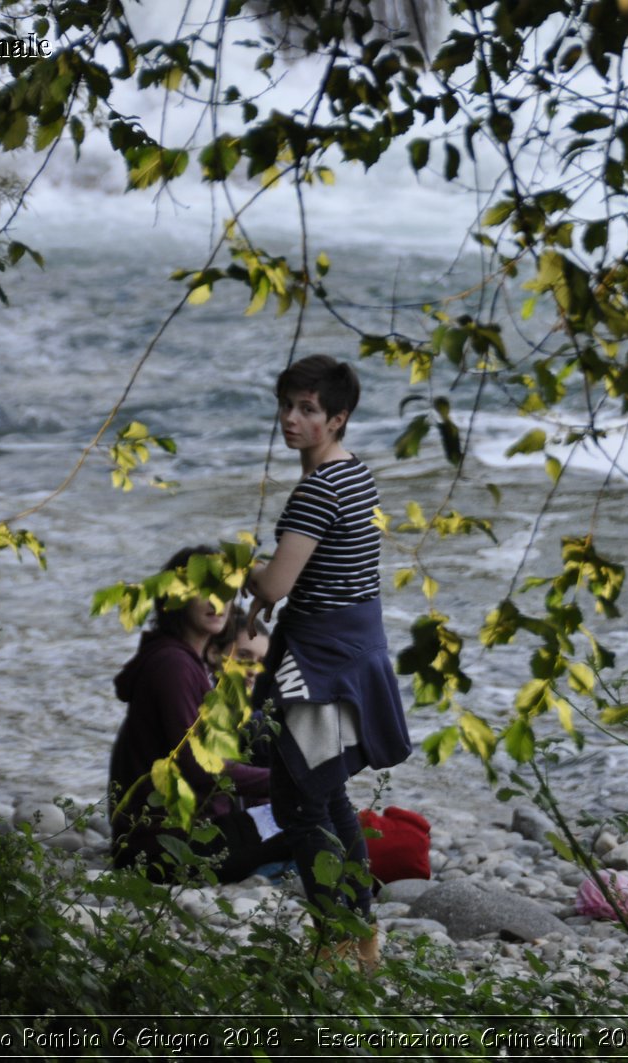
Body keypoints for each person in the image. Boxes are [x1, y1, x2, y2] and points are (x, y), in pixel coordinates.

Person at [245, 355, 411, 969]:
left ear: (337, 418)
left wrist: (239, 569)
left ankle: (338, 941)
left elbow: (274, 585)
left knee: (303, 803)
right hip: (349, 649)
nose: (290, 418)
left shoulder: (318, 490)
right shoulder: (355, 474)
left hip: (319, 662)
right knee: (327, 792)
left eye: (307, 410)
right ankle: (358, 937)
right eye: (287, 404)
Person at [108, 546, 290, 884]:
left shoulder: (183, 659)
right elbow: (196, 766)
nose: (216, 601)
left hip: (171, 835)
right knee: (312, 824)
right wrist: (285, 781)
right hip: (159, 848)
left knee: (304, 814)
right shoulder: (174, 666)